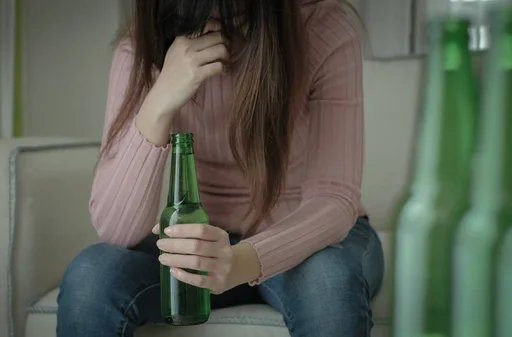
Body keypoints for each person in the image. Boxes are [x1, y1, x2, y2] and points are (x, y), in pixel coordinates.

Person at [56, 0, 384, 336]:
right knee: (91, 276)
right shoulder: (142, 47)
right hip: (204, 240)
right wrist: (158, 103)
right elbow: (116, 231)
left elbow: (335, 197)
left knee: (329, 281)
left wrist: (242, 261)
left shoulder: (323, 29)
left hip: (311, 238)